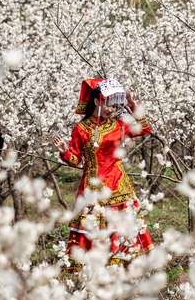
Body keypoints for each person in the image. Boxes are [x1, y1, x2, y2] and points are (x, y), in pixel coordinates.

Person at [52, 78, 155, 266]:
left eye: (116, 106)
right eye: (109, 105)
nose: (113, 110)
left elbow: (145, 128)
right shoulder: (80, 129)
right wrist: (64, 151)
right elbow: (76, 160)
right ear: (97, 102)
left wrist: (132, 105)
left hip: (118, 187)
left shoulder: (119, 125)